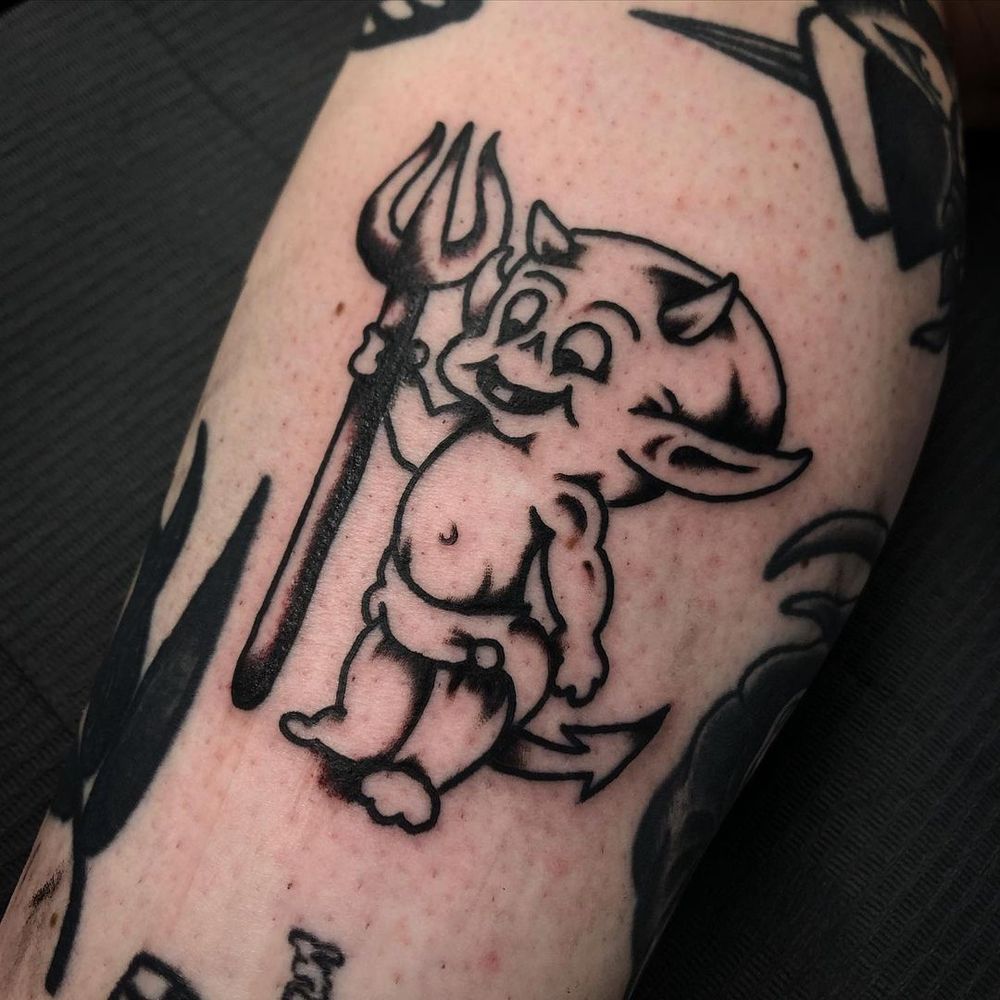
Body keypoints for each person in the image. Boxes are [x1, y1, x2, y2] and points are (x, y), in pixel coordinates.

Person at [0, 2, 979, 997]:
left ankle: (417, 771)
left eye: (575, 352)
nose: (521, 359)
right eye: (525, 321)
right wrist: (386, 375)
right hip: (405, 606)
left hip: (483, 644)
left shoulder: (571, 499)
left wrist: (578, 648)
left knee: (459, 713)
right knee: (377, 684)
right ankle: (357, 736)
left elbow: (576, 583)